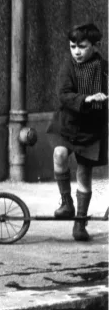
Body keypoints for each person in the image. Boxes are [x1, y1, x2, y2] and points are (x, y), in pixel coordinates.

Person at [46, 23, 108, 241]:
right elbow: (63, 94)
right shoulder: (68, 66)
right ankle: (66, 202)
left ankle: (80, 221)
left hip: (91, 130)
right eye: (73, 47)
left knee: (84, 172)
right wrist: (86, 99)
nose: (77, 52)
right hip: (68, 124)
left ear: (95, 46)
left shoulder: (103, 68)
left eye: (82, 47)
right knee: (59, 154)